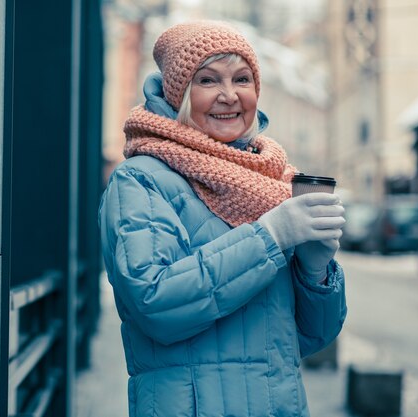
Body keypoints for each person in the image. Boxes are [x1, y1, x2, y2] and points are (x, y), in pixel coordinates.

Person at [98, 20, 346, 417]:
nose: (229, 96)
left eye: (242, 79)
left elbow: (309, 339)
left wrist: (315, 274)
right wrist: (270, 236)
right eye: (208, 80)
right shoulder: (142, 179)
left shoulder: (272, 181)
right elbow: (154, 304)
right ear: (180, 93)